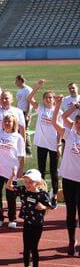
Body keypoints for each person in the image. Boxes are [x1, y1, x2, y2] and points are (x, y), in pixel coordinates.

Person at [6, 169, 54, 267]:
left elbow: (52, 206)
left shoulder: (42, 195)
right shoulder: (23, 190)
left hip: (37, 225)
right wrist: (12, 176)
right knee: (26, 248)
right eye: (26, 182)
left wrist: (43, 207)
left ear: (37, 183)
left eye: (30, 182)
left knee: (34, 248)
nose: (27, 184)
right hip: (27, 223)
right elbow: (9, 186)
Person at [52, 96, 80, 256]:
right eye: (76, 123)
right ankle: (71, 241)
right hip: (69, 179)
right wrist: (61, 106)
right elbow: (57, 121)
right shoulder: (69, 135)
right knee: (70, 213)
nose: (78, 125)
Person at [27, 79, 60, 206]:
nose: (48, 99)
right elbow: (30, 98)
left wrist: (59, 145)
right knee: (40, 170)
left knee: (53, 171)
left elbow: (59, 131)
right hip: (41, 144)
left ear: (54, 99)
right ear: (44, 99)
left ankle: (55, 196)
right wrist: (37, 86)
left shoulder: (58, 111)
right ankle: (41, 193)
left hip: (53, 145)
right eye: (46, 97)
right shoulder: (40, 108)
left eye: (50, 97)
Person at [0, 115, 25, 228]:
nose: (7, 123)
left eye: (9, 121)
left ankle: (12, 219)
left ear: (13, 123)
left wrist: (20, 170)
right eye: (5, 121)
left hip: (11, 172)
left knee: (11, 196)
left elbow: (21, 155)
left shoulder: (18, 137)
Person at [15, 74, 33, 155]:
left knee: (25, 131)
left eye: (16, 81)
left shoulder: (28, 90)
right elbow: (18, 102)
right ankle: (20, 148)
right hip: (18, 112)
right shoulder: (19, 90)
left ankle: (28, 151)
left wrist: (28, 114)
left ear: (20, 81)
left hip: (25, 112)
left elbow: (29, 102)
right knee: (18, 130)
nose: (15, 83)